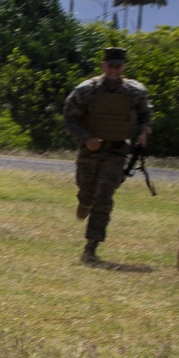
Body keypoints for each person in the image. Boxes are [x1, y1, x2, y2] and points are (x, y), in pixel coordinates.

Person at [63, 47, 152, 264]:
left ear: (124, 67)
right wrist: (86, 139)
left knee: (104, 196)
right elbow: (69, 118)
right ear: (103, 66)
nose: (114, 70)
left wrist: (144, 132)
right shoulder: (86, 90)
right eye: (110, 65)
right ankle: (84, 201)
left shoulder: (135, 91)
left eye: (118, 66)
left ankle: (91, 246)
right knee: (87, 190)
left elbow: (145, 113)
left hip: (117, 150)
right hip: (90, 148)